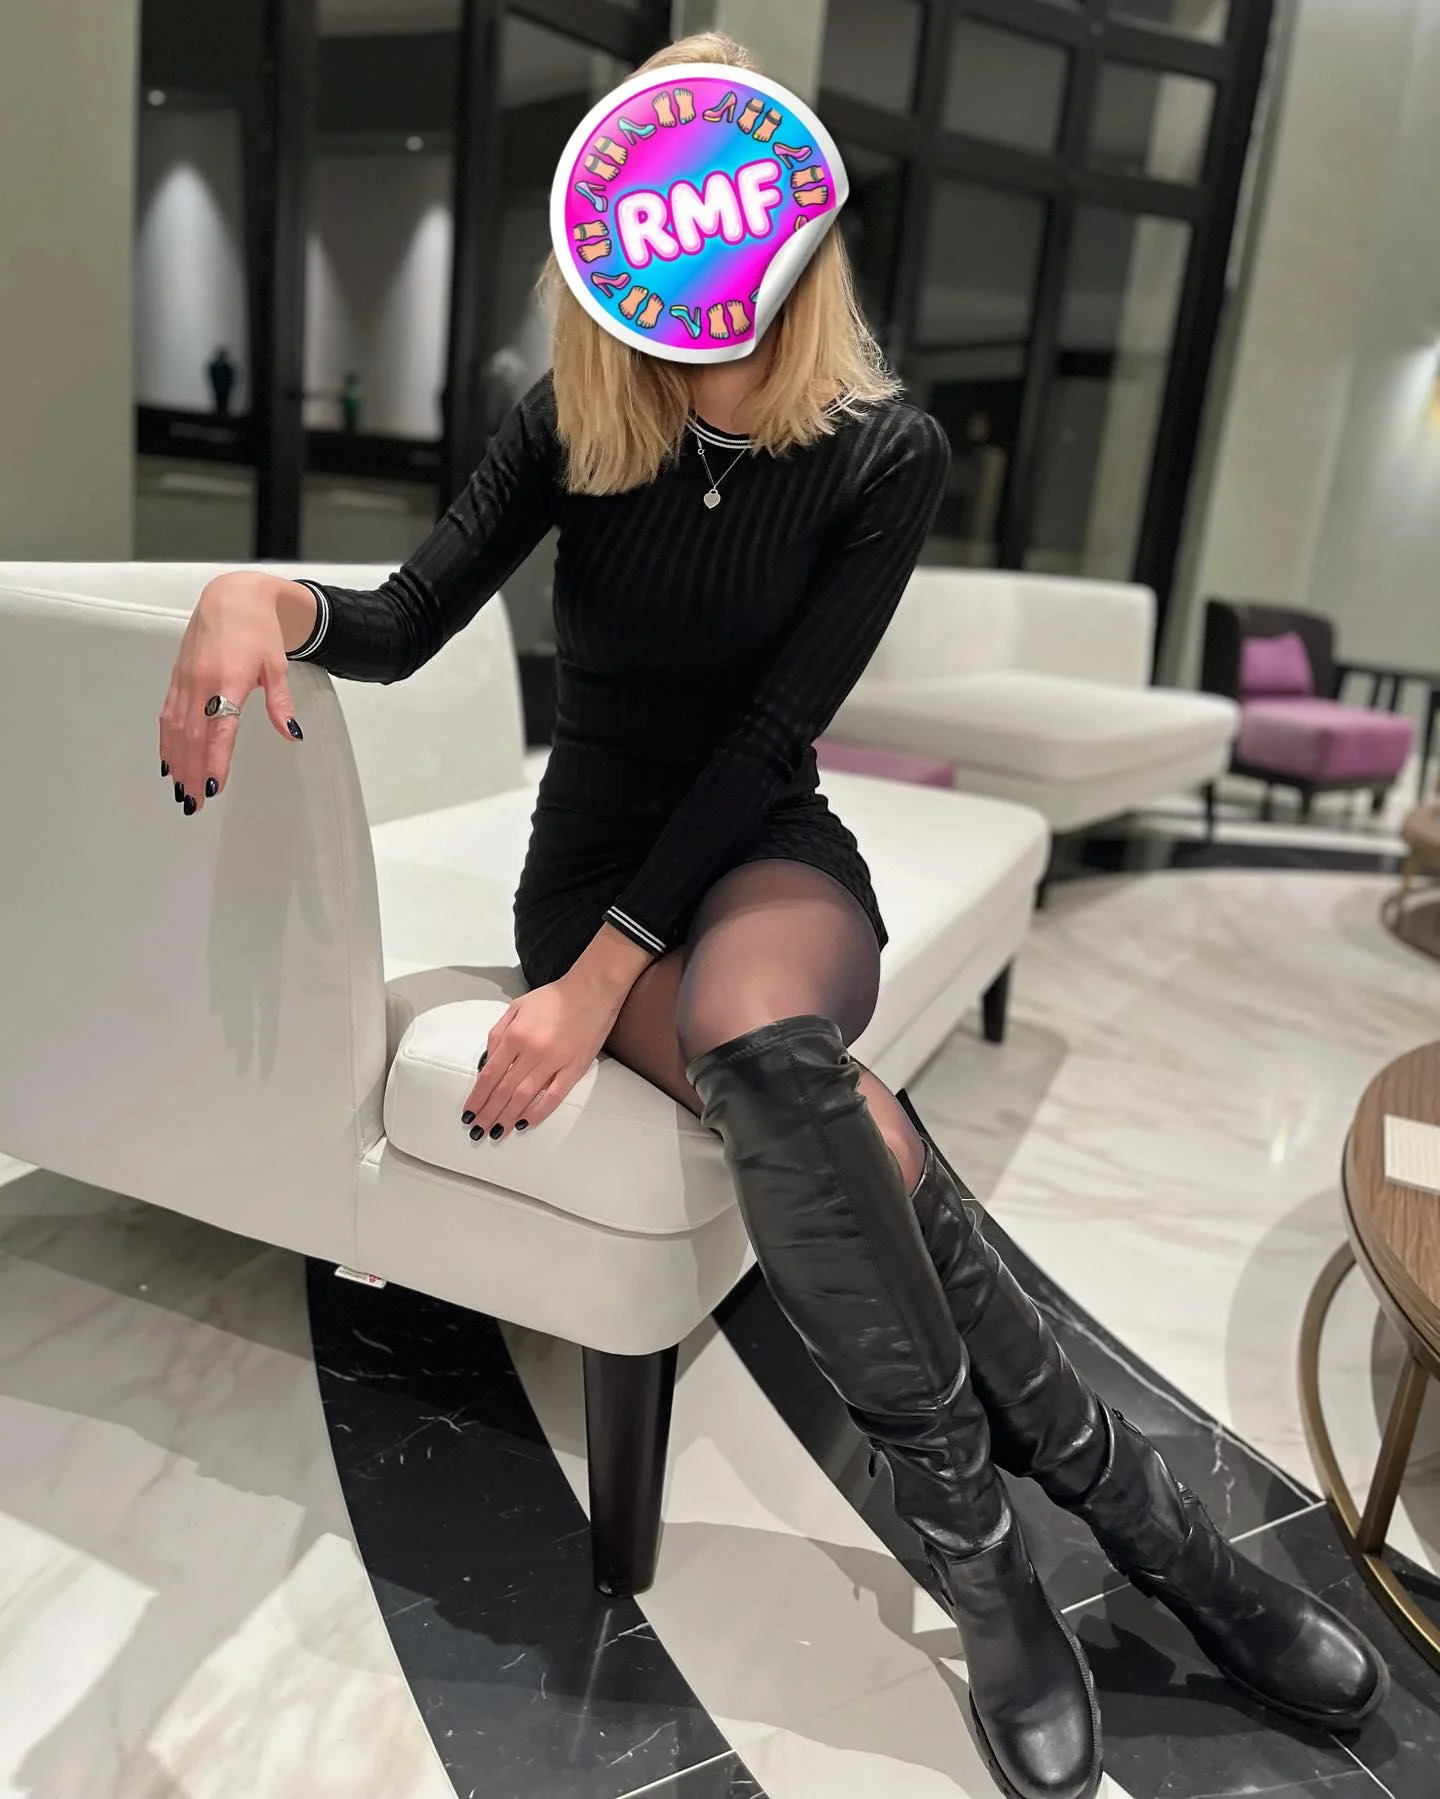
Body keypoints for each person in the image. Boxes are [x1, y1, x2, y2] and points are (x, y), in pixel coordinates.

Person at [158, 33, 1385, 1799]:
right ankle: (1095, 1537)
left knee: (758, 1018)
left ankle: (1028, 1551)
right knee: (821, 1093)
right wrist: (258, 595)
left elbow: (759, 743)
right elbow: (413, 618)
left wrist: (596, 989)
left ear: (795, 223)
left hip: (766, 852)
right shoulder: (577, 420)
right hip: (593, 856)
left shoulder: (885, 455)